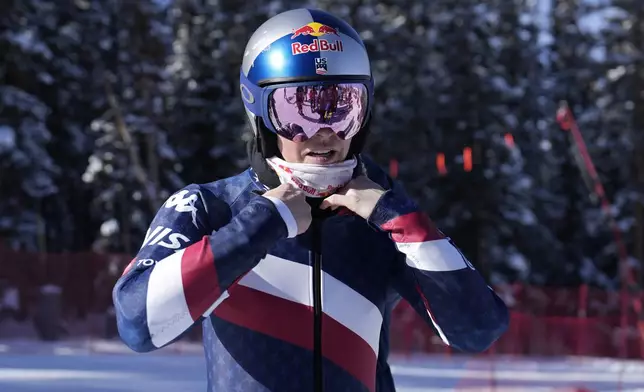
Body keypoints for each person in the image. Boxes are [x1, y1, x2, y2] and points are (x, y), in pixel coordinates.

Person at [112, 8, 509, 392]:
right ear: (259, 112)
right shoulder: (210, 207)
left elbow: (477, 329)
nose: (324, 133)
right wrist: (263, 222)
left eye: (343, 110)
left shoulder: (380, 216)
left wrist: (397, 217)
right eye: (297, 111)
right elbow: (138, 321)